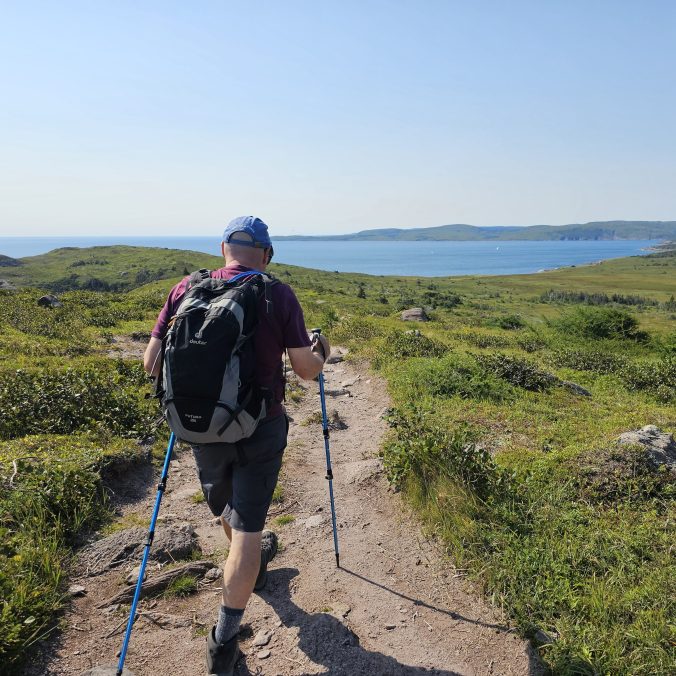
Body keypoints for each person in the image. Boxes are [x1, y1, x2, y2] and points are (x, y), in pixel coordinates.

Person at [143, 215, 330, 675]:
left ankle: (250, 565)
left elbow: (151, 363)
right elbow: (306, 370)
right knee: (248, 530)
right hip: (260, 427)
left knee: (228, 511)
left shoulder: (185, 288)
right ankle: (223, 642)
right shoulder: (276, 293)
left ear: (223, 247)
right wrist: (322, 351)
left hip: (199, 427)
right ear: (266, 254)